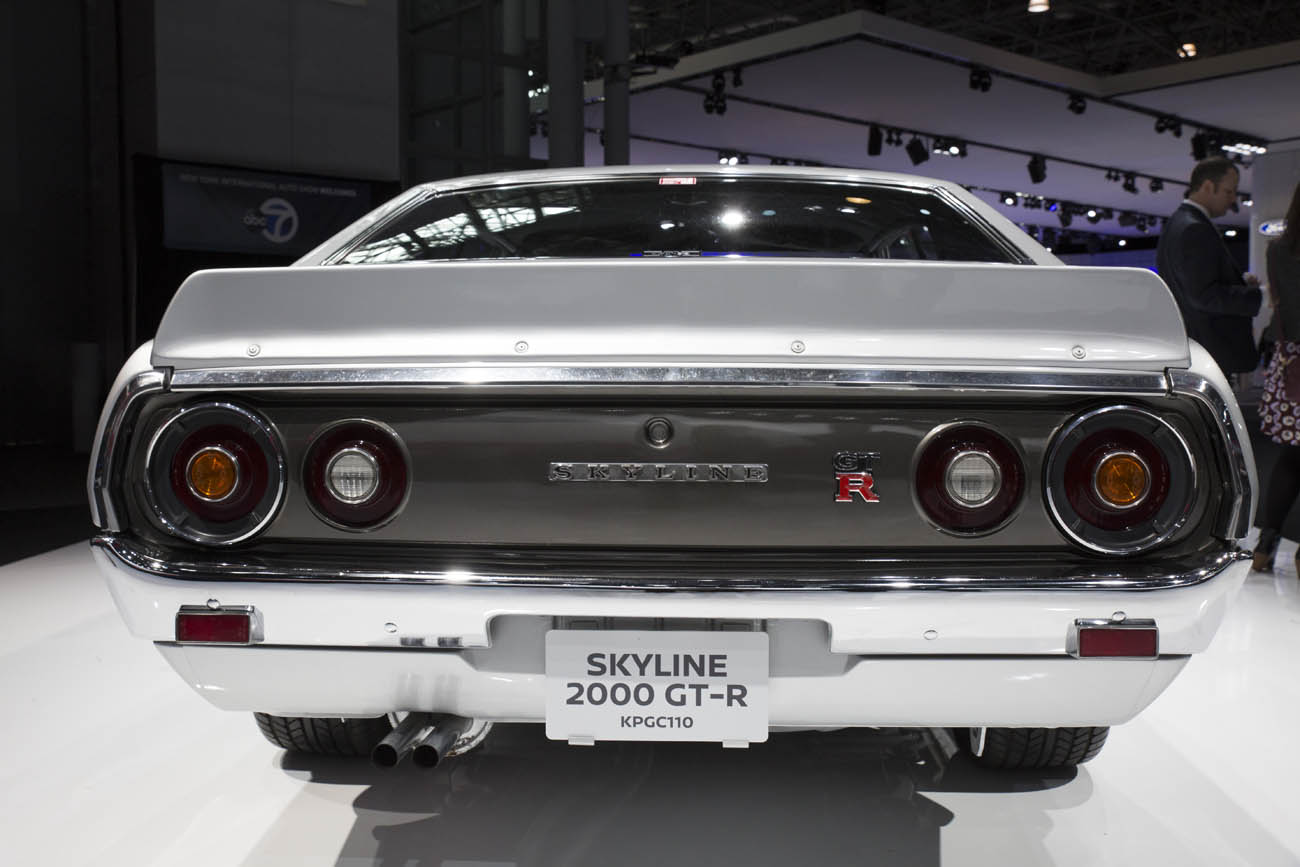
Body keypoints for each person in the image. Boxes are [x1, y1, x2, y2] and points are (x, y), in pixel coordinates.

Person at [1156, 156, 1263, 378]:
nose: (1233, 199)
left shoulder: (1178, 223)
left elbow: (1195, 285)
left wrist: (1239, 283)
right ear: (1207, 186)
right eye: (1228, 192)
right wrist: (1260, 296)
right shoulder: (1194, 228)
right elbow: (1204, 296)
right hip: (1211, 350)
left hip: (1197, 348)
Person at [1253, 180, 1300, 572]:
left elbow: (1280, 305)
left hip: (1291, 361)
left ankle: (1265, 546)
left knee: (1290, 458)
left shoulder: (1279, 249)